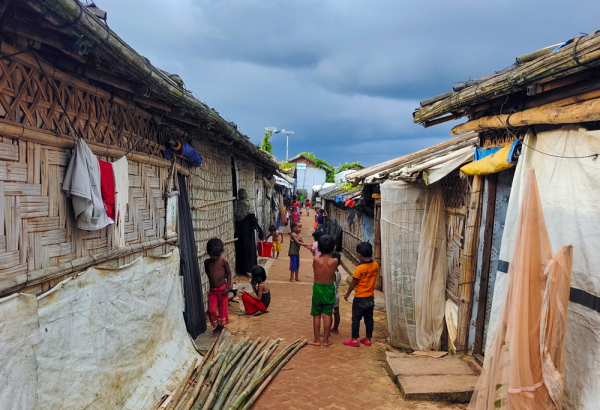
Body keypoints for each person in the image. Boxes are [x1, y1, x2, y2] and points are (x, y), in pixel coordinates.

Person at [343, 242, 379, 347]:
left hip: (359, 298)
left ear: (359, 255)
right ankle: (368, 339)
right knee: (369, 319)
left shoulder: (359, 269)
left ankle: (354, 340)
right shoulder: (375, 265)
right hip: (370, 298)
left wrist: (347, 294)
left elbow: (354, 282)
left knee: (356, 319)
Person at [308, 235, 337, 346]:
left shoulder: (316, 260)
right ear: (334, 248)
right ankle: (326, 340)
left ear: (318, 248)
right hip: (329, 288)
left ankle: (316, 340)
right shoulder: (334, 261)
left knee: (316, 315)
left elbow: (314, 268)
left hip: (318, 288)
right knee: (327, 315)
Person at [204, 238, 232, 337]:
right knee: (211, 310)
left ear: (221, 252)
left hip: (222, 290)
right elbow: (209, 274)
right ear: (208, 253)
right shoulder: (207, 263)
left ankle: (220, 326)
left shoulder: (223, 262)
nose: (215, 257)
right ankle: (216, 324)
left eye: (217, 255)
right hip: (213, 290)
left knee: (222, 309)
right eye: (213, 255)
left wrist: (228, 287)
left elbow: (228, 274)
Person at [234, 188, 263, 276]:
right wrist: (259, 229)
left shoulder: (237, 205)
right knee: (249, 249)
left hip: (239, 231)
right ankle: (249, 268)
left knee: (240, 249)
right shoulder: (248, 205)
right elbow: (252, 219)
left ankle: (240, 269)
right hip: (248, 231)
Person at [331, 250, 342, 334]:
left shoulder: (332, 272)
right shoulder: (338, 272)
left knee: (329, 313)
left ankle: (328, 330)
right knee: (336, 312)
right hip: (336, 294)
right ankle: (335, 328)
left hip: (331, 294)